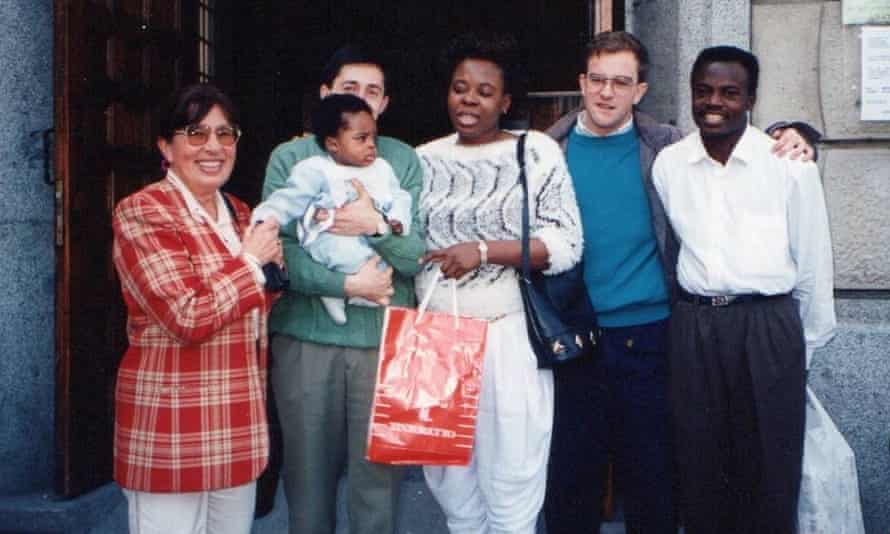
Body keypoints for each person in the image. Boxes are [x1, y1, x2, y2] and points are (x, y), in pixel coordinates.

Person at [543, 31, 820, 534]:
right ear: (581, 83)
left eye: (621, 82)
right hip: (576, 337)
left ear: (641, 90)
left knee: (658, 482)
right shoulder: (544, 151)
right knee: (571, 478)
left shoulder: (662, 146)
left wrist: (798, 132)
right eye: (598, 80)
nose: (608, 92)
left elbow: (733, 136)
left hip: (651, 334)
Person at [652, 45, 835, 534]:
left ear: (751, 99)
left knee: (769, 471)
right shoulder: (670, 165)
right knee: (698, 464)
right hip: (695, 327)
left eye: (730, 93)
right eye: (704, 91)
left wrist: (800, 349)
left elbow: (814, 264)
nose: (714, 102)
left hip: (767, 326)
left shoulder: (790, 166)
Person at [415, 32, 583, 534]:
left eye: (485, 91)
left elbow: (567, 243)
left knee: (513, 479)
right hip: (440, 337)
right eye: (460, 88)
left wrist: (485, 252)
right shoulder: (421, 159)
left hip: (508, 334)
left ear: (506, 101)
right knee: (452, 485)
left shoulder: (536, 154)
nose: (470, 100)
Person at [261, 44, 426, 534]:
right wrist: (345, 282)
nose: (362, 98)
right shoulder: (292, 156)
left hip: (382, 339)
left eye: (373, 92)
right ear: (325, 94)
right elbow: (277, 245)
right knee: (307, 478)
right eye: (349, 88)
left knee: (378, 481)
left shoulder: (401, 159)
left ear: (385, 104)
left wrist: (375, 224)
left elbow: (414, 253)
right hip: (307, 339)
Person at [111, 83, 283, 534]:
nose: (213, 146)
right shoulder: (143, 211)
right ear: (165, 146)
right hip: (172, 429)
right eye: (196, 132)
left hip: (237, 424)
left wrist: (275, 271)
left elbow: (257, 307)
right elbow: (187, 316)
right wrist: (252, 263)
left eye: (226, 134)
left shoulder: (243, 213)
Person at [253, 93, 412, 325]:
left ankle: (364, 292)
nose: (371, 145)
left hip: (369, 240)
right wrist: (267, 217)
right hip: (328, 238)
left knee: (381, 260)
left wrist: (397, 219)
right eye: (361, 138)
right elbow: (290, 198)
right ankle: (336, 291)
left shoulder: (382, 169)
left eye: (374, 138)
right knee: (340, 250)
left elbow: (400, 196)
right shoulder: (315, 169)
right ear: (333, 144)